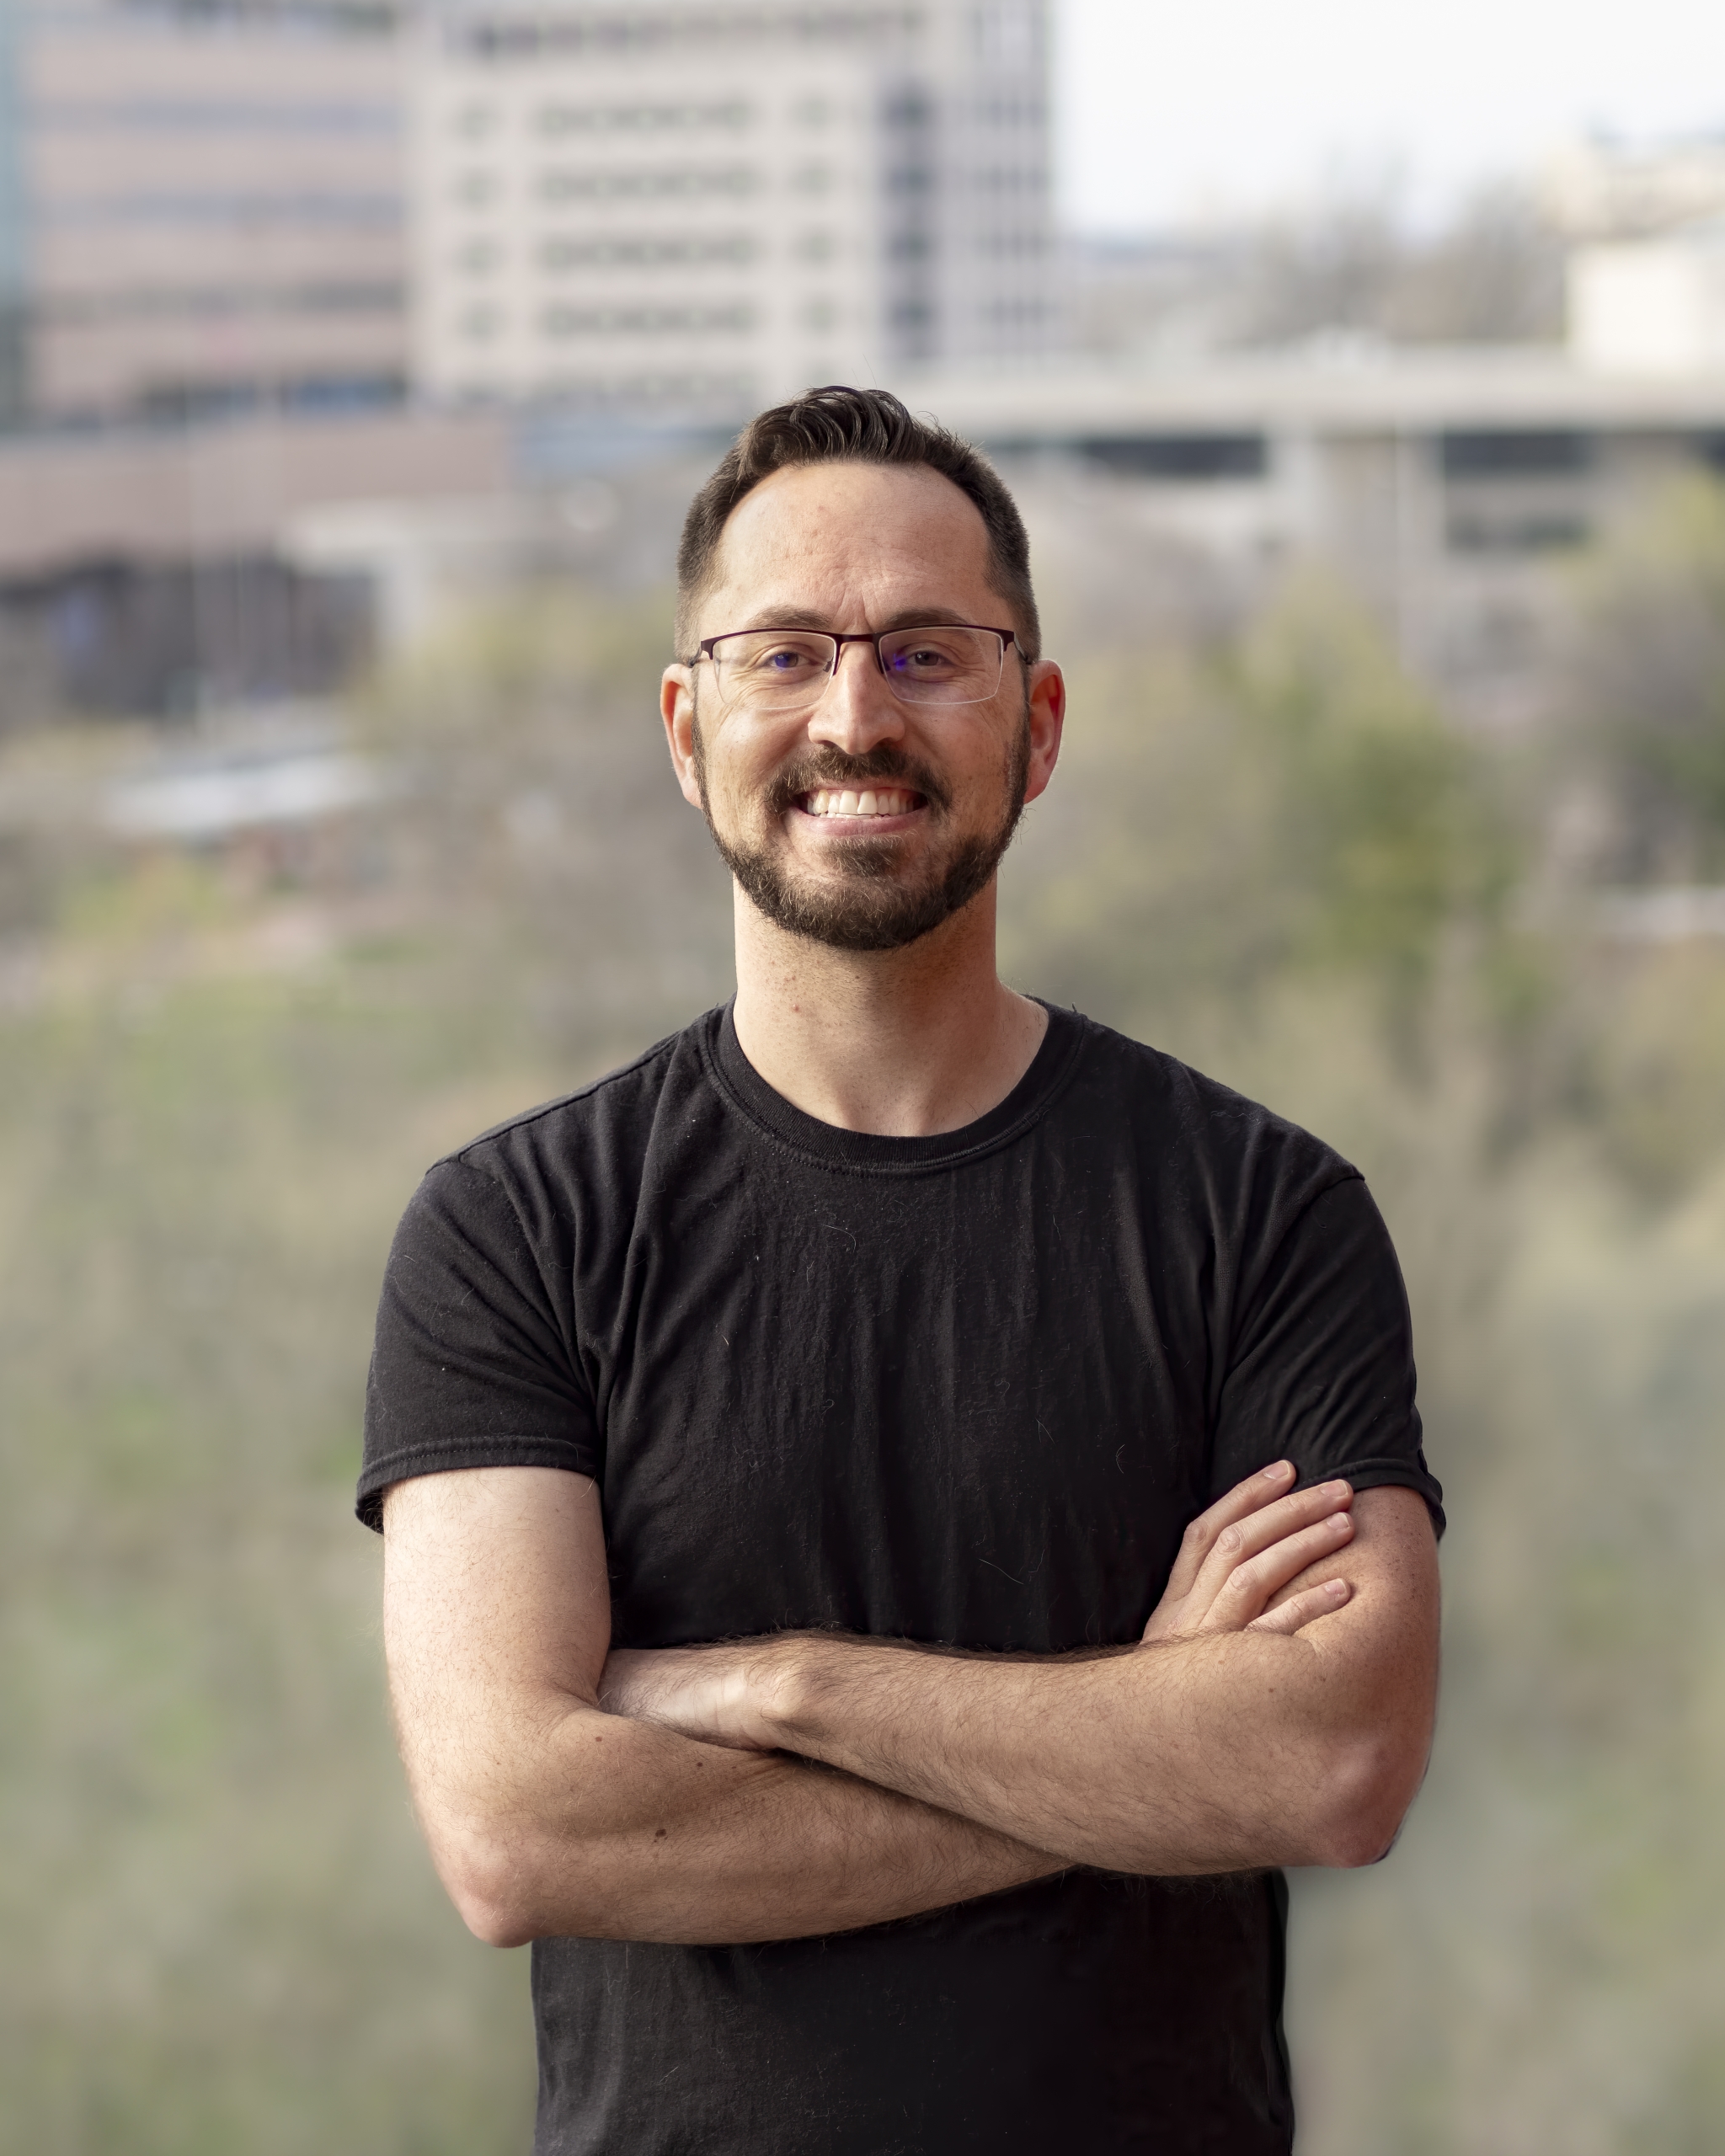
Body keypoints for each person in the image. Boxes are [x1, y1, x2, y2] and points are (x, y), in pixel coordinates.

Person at [360, 385, 1443, 2154]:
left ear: (1039, 723)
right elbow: (517, 1831)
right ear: (686, 725)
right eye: (784, 653)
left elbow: (1329, 1762)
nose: (854, 716)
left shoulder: (1263, 1212)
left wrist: (776, 1690)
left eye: (928, 654)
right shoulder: (515, 1231)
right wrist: (1142, 1741)